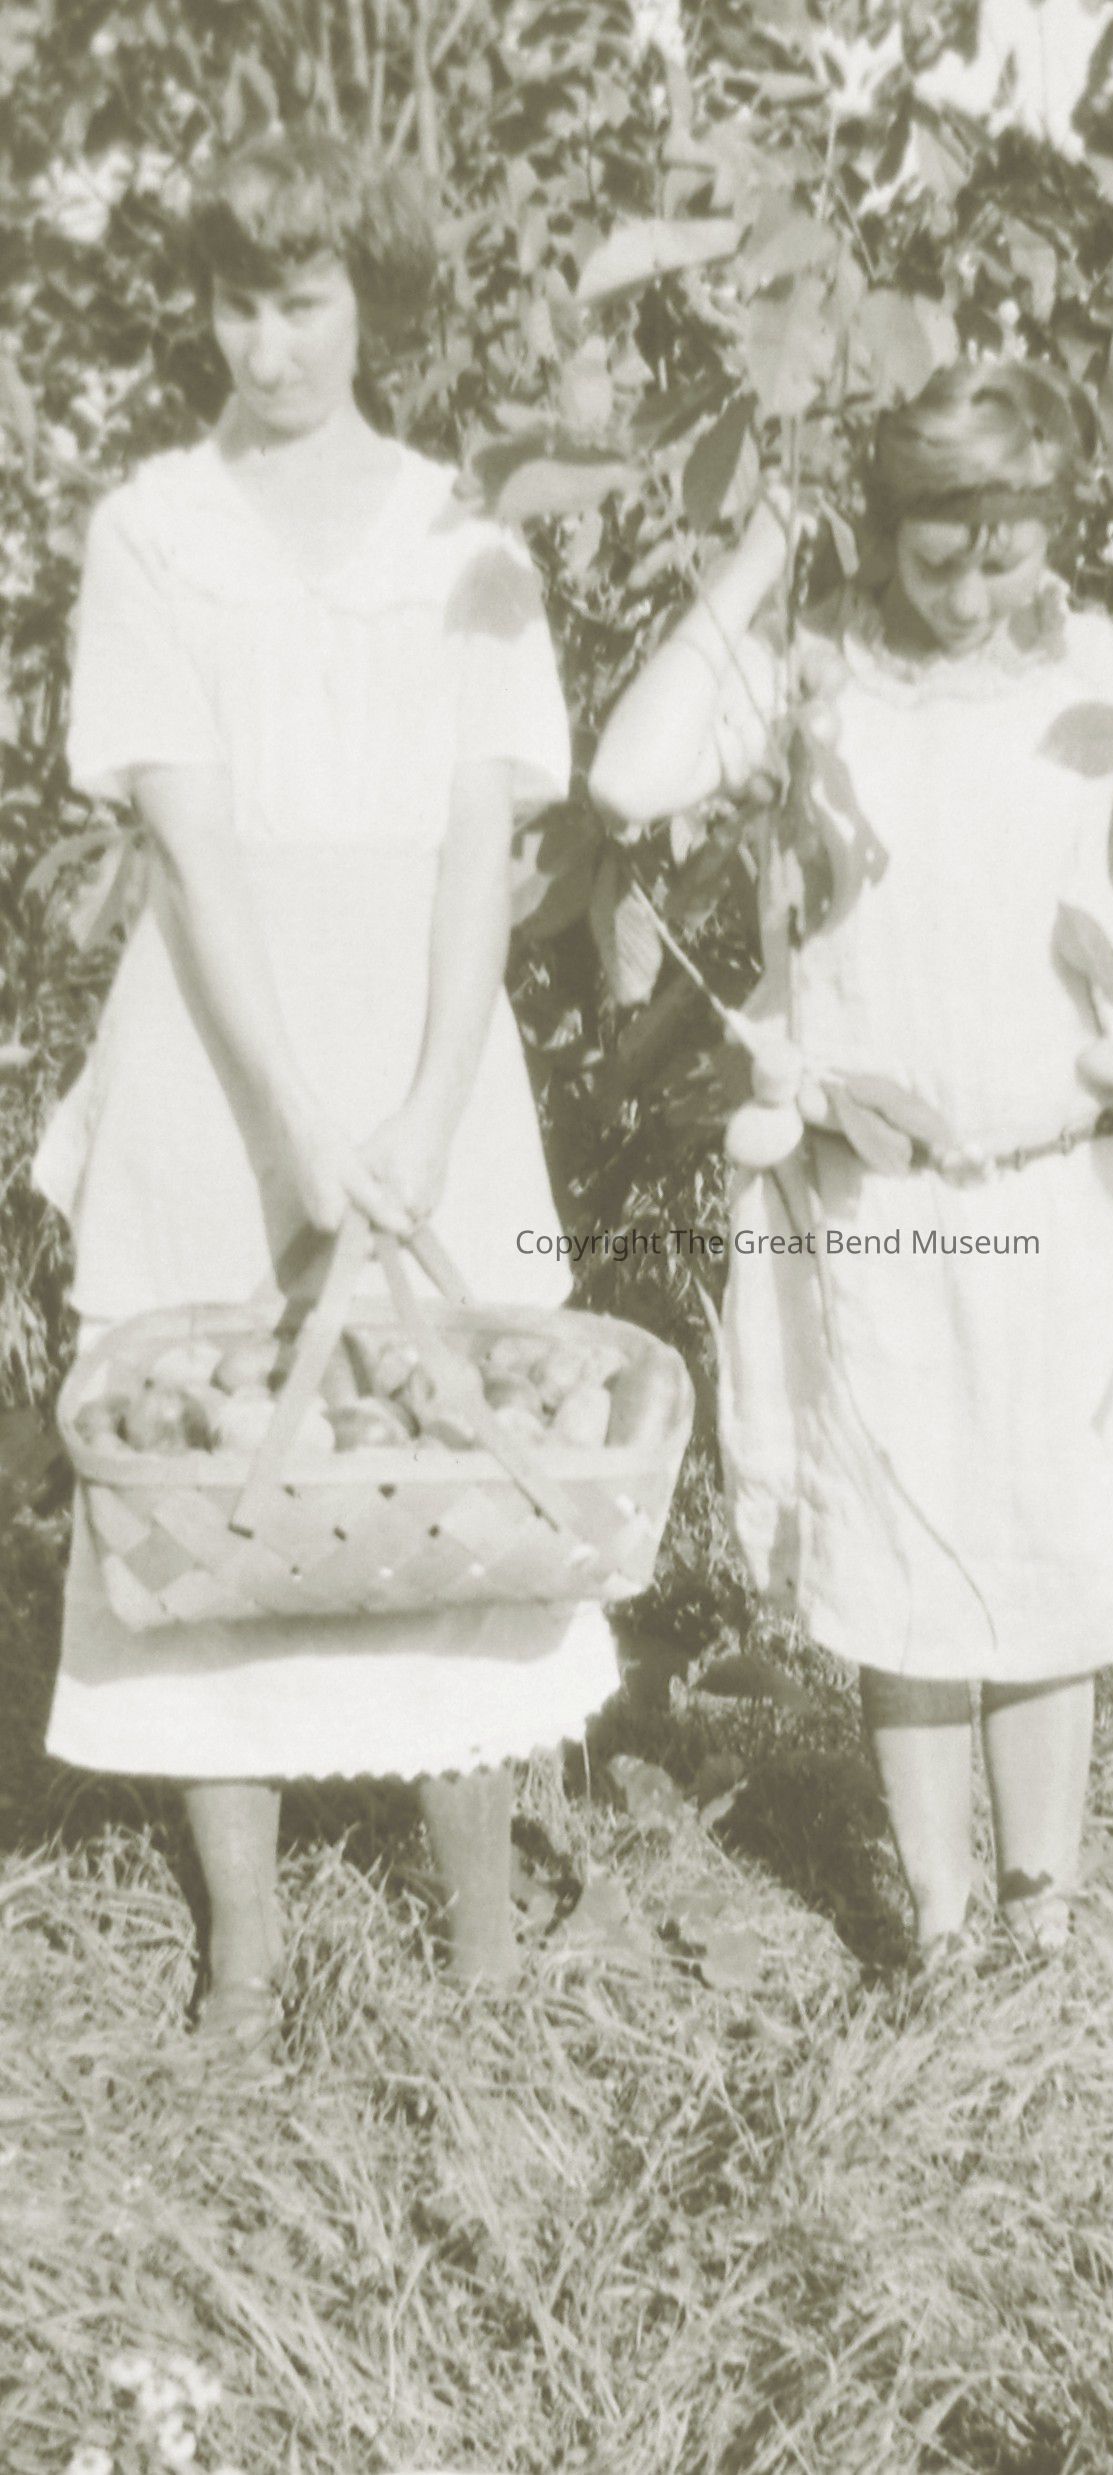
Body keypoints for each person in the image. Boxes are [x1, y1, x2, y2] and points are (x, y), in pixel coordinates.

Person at [588, 361, 1113, 1962]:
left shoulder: (1090, 663)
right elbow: (626, 779)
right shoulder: (817, 677)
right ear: (881, 529)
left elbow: (1108, 929)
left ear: (1052, 529)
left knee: (1044, 1549)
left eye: (1010, 557)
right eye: (936, 559)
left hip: (1054, 1179)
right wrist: (762, 552)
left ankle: (1041, 1903)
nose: (975, 597)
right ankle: (941, 1920)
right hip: (877, 1199)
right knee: (905, 1558)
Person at [33, 132, 616, 2052]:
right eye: (237, 303)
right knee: (210, 1463)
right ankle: (246, 1952)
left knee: (452, 1436)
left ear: (375, 303)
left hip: (424, 1027)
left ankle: (482, 1945)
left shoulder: (466, 539)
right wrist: (289, 1122)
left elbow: (476, 845)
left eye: (304, 303)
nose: (267, 346)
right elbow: (192, 847)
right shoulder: (155, 532)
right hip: (224, 1042)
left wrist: (432, 1107)